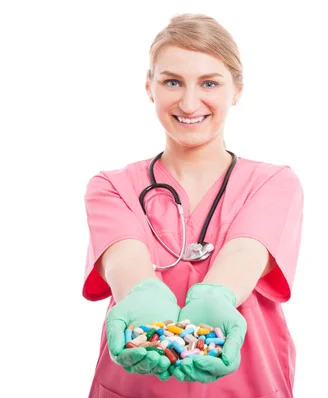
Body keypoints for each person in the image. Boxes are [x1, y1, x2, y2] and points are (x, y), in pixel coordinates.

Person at [82, 13, 304, 398]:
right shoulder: (112, 188)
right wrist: (143, 296)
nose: (188, 102)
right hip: (137, 386)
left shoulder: (273, 183)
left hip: (244, 384)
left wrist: (216, 296)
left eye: (209, 83)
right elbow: (124, 259)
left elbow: (247, 252)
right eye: (172, 81)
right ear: (149, 87)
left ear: (236, 90)